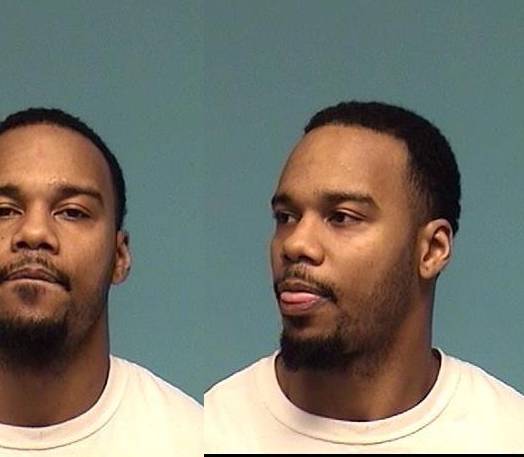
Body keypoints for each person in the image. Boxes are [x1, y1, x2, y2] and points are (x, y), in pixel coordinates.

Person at [204, 100, 524, 453]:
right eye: (286, 217)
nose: (295, 244)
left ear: (432, 250)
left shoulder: (508, 435)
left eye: (341, 217)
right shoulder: (212, 430)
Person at [0, 107, 202, 456]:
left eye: (73, 212)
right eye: (3, 210)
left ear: (119, 257)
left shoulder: (191, 440)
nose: (34, 232)